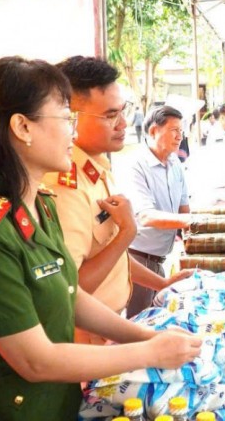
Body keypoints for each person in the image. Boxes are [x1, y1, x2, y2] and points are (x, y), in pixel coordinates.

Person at [0, 57, 201, 419]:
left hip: (62, 404)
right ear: (22, 126)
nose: (72, 132)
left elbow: (70, 292)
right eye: (66, 119)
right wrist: (151, 352)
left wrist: (147, 336)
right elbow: (35, 361)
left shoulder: (41, 206)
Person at [49, 56, 189, 342]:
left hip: (110, 326)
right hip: (85, 337)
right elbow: (70, 290)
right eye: (110, 115)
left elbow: (109, 257)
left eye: (123, 111)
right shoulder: (65, 186)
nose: (124, 123)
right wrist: (127, 233)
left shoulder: (99, 169)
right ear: (70, 117)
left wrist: (161, 282)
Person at [124, 106, 194, 317]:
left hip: (160, 259)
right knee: (139, 321)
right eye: (174, 130)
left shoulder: (175, 164)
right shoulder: (136, 165)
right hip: (138, 259)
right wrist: (194, 221)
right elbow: (146, 216)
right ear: (154, 131)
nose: (179, 136)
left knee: (157, 318)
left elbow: (184, 208)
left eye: (181, 131)